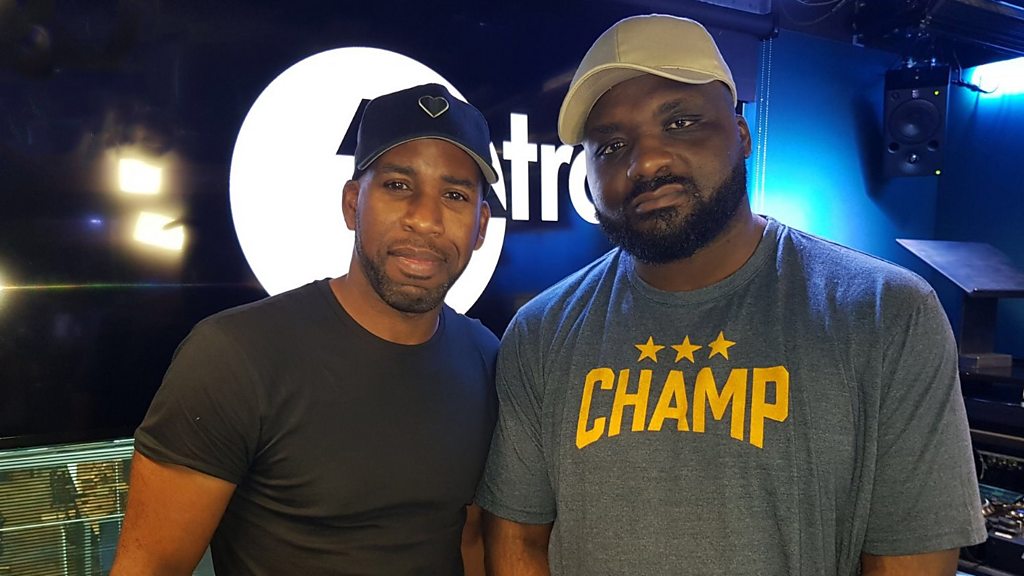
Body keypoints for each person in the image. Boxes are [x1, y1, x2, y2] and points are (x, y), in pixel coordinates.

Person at [476, 14, 987, 576]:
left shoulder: (886, 313)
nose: (646, 162)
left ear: (741, 134)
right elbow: (518, 540)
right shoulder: (542, 331)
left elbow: (913, 558)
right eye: (612, 145)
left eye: (680, 122)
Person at [111, 83, 499, 576]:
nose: (425, 220)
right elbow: (149, 565)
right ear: (352, 204)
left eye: (454, 195)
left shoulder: (486, 358)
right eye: (398, 185)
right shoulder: (234, 356)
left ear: (480, 226)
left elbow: (471, 542)